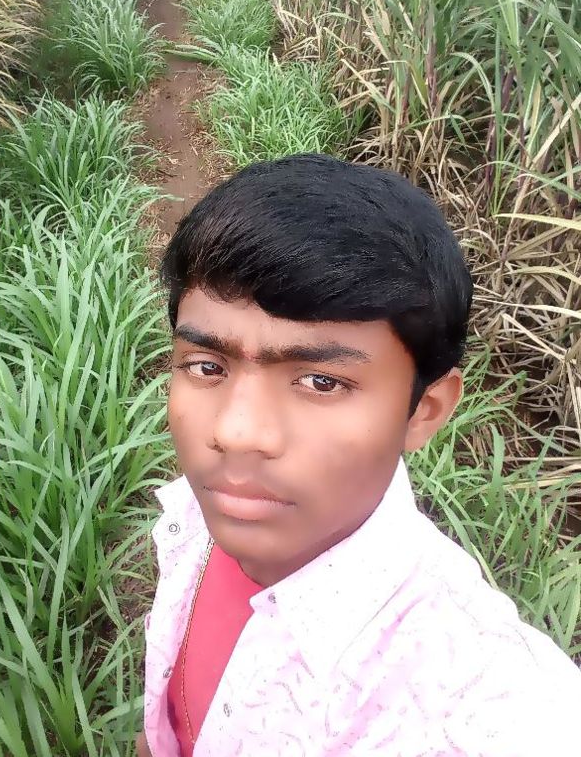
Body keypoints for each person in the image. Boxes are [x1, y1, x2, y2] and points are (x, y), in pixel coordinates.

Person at [137, 154, 580, 757]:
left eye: (321, 382)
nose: (235, 433)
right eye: (207, 367)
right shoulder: (198, 516)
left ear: (423, 410)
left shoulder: (472, 710)